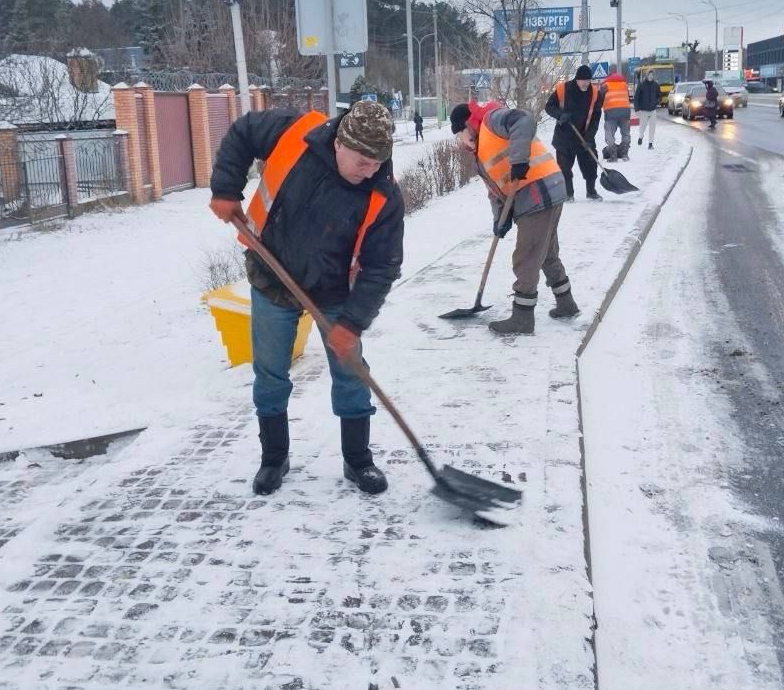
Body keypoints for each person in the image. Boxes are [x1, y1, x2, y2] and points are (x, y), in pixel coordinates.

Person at [209, 100, 405, 498]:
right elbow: (243, 132)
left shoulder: (383, 194)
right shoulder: (295, 132)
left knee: (351, 372)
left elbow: (382, 267)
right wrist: (226, 188)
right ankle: (274, 457)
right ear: (340, 143)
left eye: (378, 162)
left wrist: (351, 325)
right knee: (270, 371)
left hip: (334, 291)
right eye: (363, 161)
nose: (371, 171)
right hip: (271, 275)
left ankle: (358, 458)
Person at [450, 100, 578, 336]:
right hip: (547, 190)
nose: (462, 140)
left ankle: (522, 318)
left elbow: (524, 120)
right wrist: (500, 220)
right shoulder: (482, 149)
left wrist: (519, 160)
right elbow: (495, 192)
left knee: (526, 256)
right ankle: (566, 302)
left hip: (538, 192)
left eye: (460, 132)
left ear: (468, 124)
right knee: (546, 252)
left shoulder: (492, 119)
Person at [544, 65, 603, 201]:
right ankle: (568, 194)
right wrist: (560, 115)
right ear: (577, 79)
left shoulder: (594, 93)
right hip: (564, 137)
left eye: (588, 80)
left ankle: (591, 192)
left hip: (585, 136)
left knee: (590, 166)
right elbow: (549, 106)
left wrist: (589, 138)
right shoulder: (563, 89)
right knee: (564, 168)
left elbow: (595, 118)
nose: (586, 83)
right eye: (583, 80)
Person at [601, 67, 632, 161]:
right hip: (625, 112)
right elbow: (627, 97)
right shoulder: (624, 84)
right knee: (626, 133)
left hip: (611, 112)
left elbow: (600, 99)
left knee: (609, 133)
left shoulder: (605, 85)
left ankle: (613, 156)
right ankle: (624, 154)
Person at [634, 71, 659, 149]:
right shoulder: (641, 85)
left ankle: (650, 144)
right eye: (649, 75)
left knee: (652, 127)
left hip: (653, 110)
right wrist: (637, 109)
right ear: (646, 76)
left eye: (652, 75)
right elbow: (636, 98)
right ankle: (641, 137)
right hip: (644, 110)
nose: (651, 76)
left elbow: (659, 96)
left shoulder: (656, 85)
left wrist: (656, 102)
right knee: (643, 126)